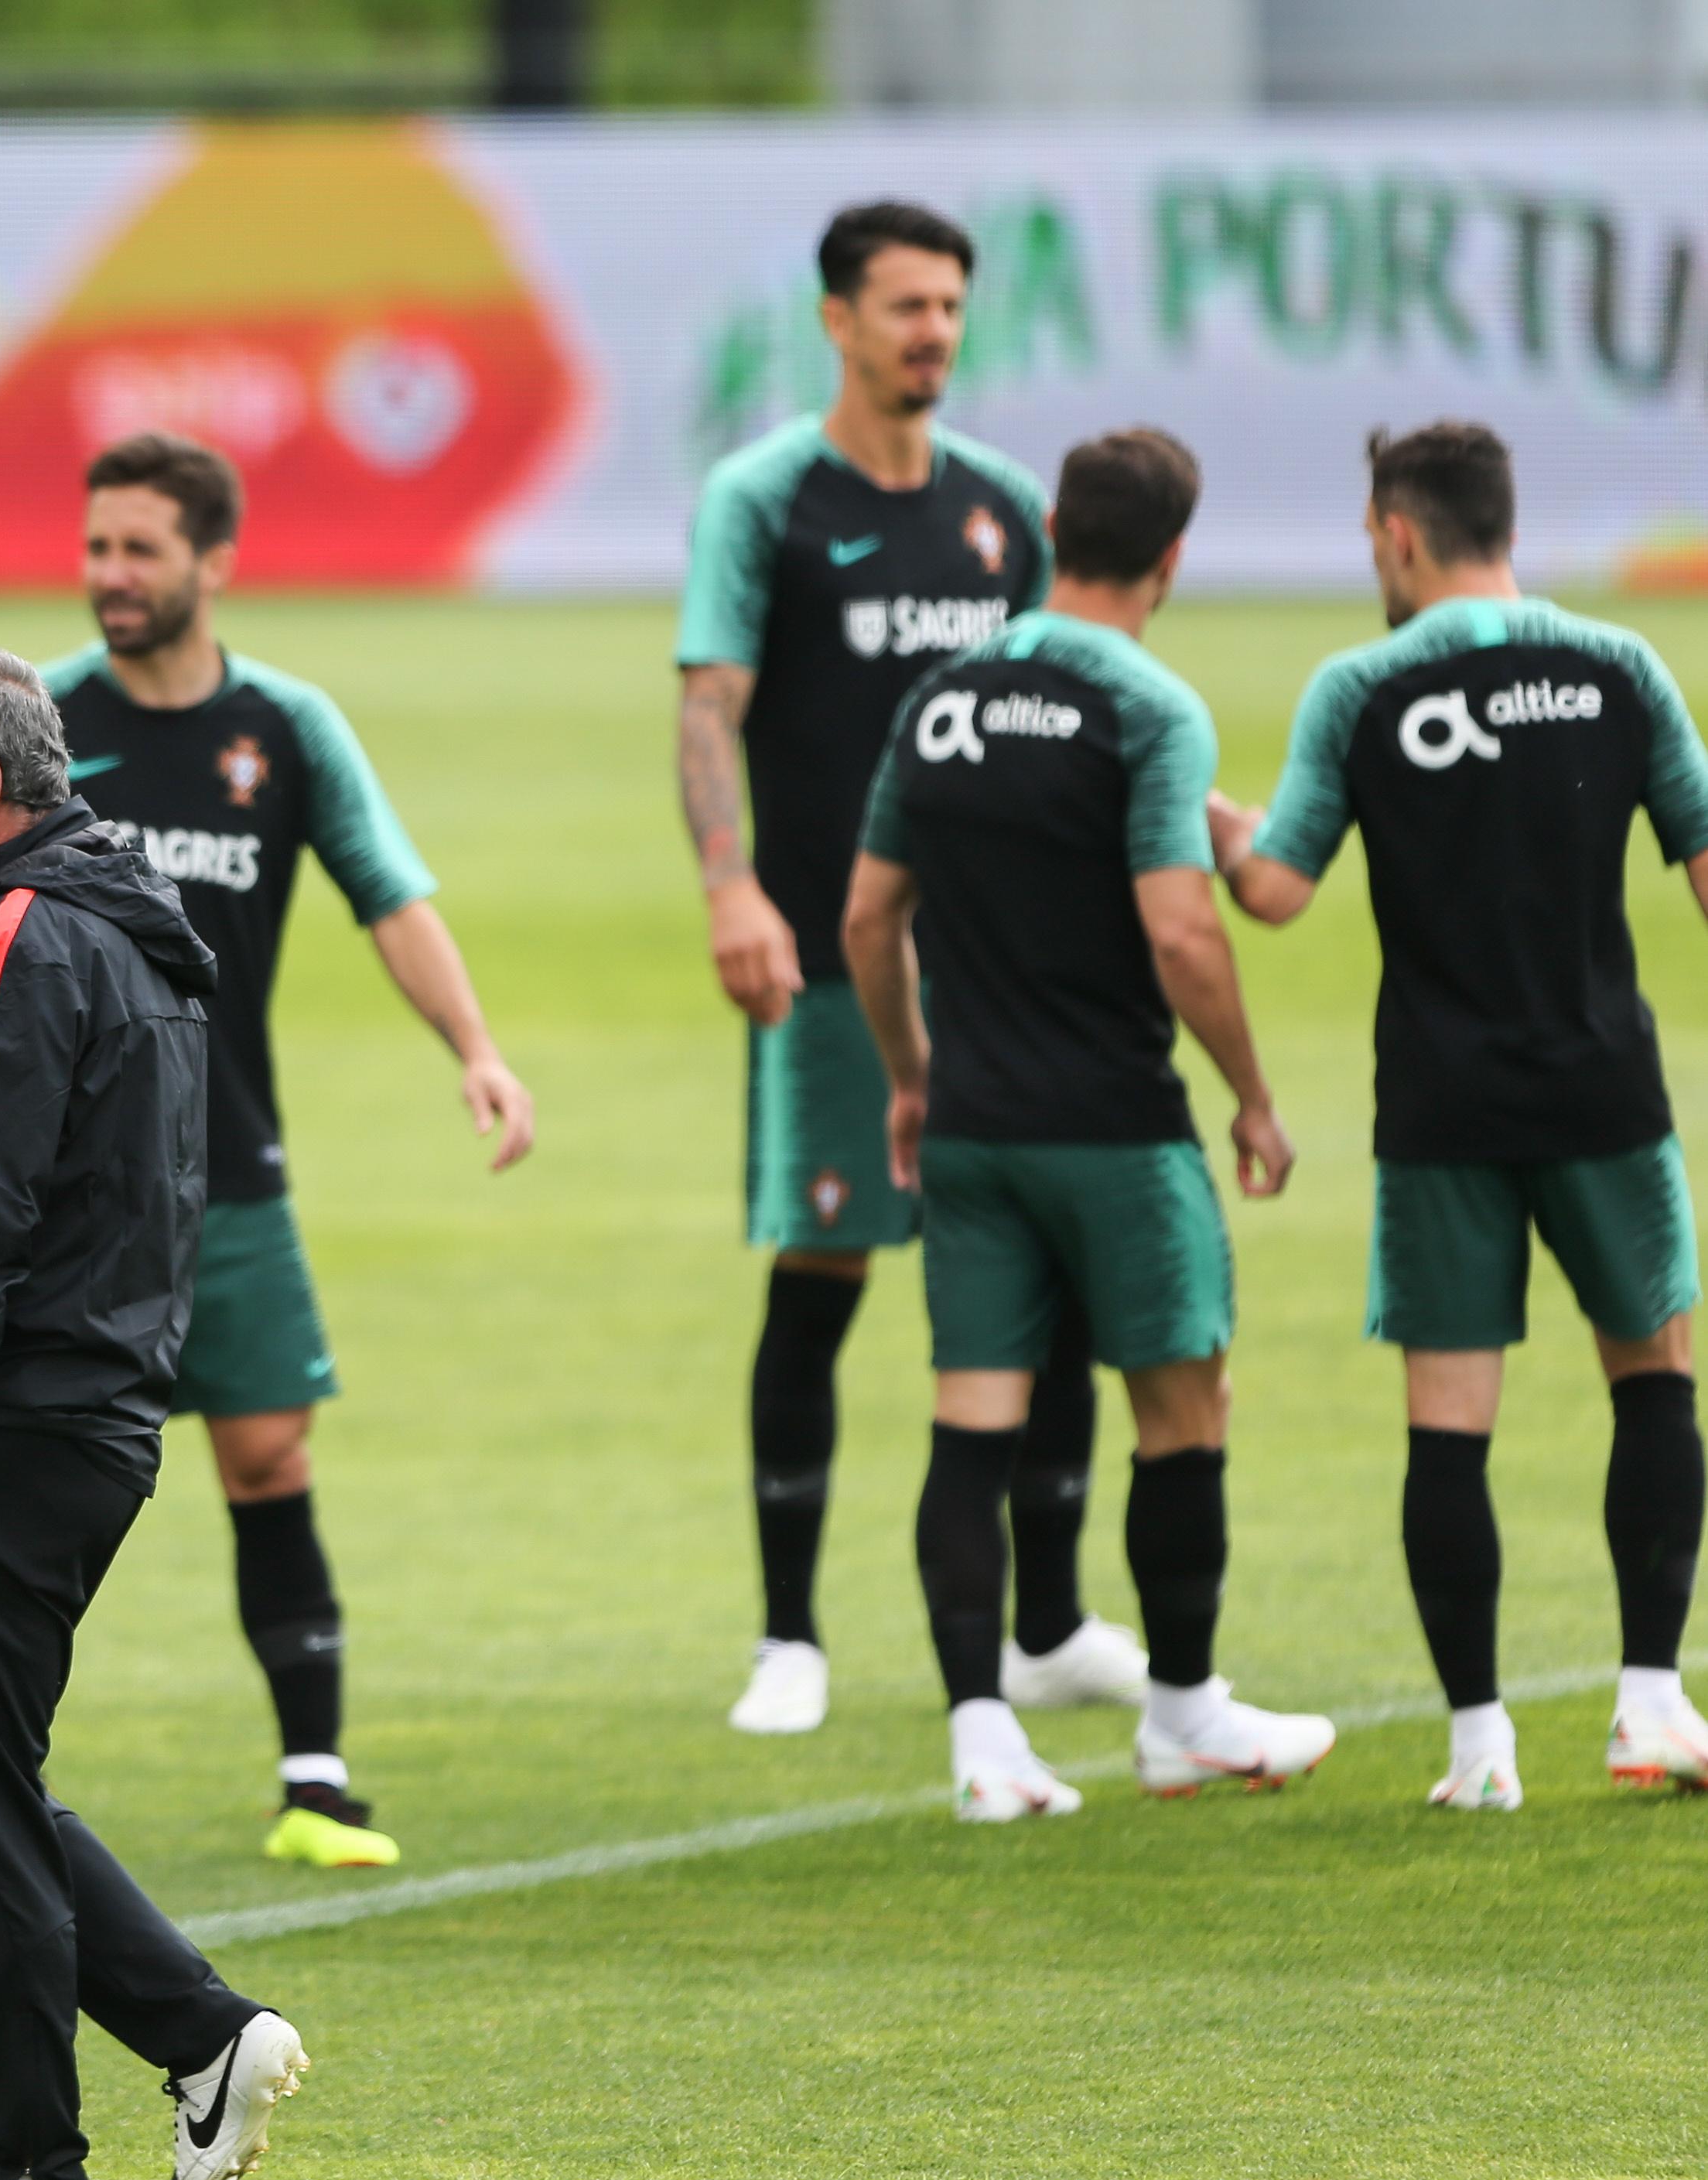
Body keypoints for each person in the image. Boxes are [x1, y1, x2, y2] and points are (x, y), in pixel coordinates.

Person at [0, 645, 305, 2180]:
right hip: (82, 1412)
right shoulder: (111, 923)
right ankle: (199, 2035)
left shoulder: (23, 938)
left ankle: (35, 2175)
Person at [678, 199, 1143, 1734]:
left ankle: (1052, 1620)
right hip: (825, 958)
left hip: (1005, 968)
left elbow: (1082, 692)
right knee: (822, 1275)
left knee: (1051, 1271)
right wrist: (731, 882)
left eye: (950, 305)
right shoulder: (766, 499)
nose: (933, 330)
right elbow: (709, 706)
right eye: (904, 306)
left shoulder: (1005, 507)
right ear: (837, 319)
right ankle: (789, 1636)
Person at [43, 432, 531, 1870]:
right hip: (62, 1184)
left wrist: (477, 1051)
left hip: (221, 1165)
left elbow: (389, 895)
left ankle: (315, 1784)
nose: (109, 576)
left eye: (138, 549)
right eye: (96, 547)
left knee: (265, 1455)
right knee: (40, 1473)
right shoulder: (43, 724)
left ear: (213, 561)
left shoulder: (285, 729)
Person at [1214, 421, 1708, 1809]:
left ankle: (1477, 1748)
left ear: (1394, 532)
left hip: (1439, 1110)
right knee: (1654, 1380)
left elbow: (1275, 891)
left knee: (1448, 1428)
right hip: (1604, 1091)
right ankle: (1651, 1705)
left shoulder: (1361, 689)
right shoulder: (1618, 666)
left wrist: (1193, 809)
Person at [842, 430, 1335, 1820]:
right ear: (1172, 559)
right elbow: (1182, 933)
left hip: (975, 1127)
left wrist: (907, 1075)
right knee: (1184, 1410)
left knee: (970, 1426)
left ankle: (982, 1746)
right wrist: (1247, 1092)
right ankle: (1180, 1716)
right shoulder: (1149, 707)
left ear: (1053, 527)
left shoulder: (938, 698)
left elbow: (869, 918)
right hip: (1115, 1126)